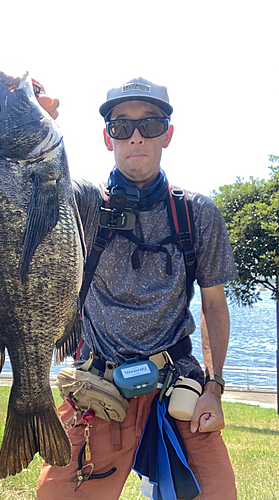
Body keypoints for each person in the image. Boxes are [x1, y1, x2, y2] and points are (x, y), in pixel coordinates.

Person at [35, 77, 238, 500]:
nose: (136, 137)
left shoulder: (197, 213)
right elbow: (31, 197)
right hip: (98, 386)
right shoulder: (85, 204)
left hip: (178, 384)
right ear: (107, 138)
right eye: (121, 127)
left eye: (150, 123)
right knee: (57, 495)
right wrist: (37, 125)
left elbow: (214, 305)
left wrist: (214, 388)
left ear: (168, 133)